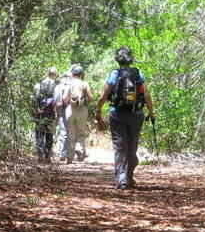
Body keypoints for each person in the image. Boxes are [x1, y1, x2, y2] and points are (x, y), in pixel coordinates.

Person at [95, 47, 154, 189]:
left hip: (117, 113)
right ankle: (129, 176)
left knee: (120, 146)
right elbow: (146, 95)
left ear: (118, 60)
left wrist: (98, 111)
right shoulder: (138, 73)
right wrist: (151, 112)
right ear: (130, 59)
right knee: (132, 146)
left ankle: (121, 179)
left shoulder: (114, 74)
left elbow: (104, 95)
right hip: (136, 113)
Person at [63, 64, 92, 164]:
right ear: (81, 74)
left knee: (70, 133)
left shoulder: (69, 84)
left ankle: (70, 157)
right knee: (81, 132)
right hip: (82, 110)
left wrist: (70, 101)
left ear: (73, 74)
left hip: (70, 110)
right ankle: (79, 149)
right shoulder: (84, 84)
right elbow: (90, 97)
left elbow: (64, 99)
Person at [32, 67, 57, 163]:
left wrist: (36, 109)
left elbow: (34, 98)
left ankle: (40, 155)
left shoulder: (38, 85)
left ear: (47, 73)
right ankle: (47, 156)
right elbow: (57, 99)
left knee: (39, 133)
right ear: (55, 74)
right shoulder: (55, 85)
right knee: (49, 134)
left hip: (40, 112)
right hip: (50, 112)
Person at [53, 71, 71, 161]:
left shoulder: (57, 87)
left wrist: (55, 111)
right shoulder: (68, 86)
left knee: (61, 131)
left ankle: (61, 152)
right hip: (67, 110)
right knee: (65, 132)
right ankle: (63, 153)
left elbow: (55, 100)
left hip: (59, 110)